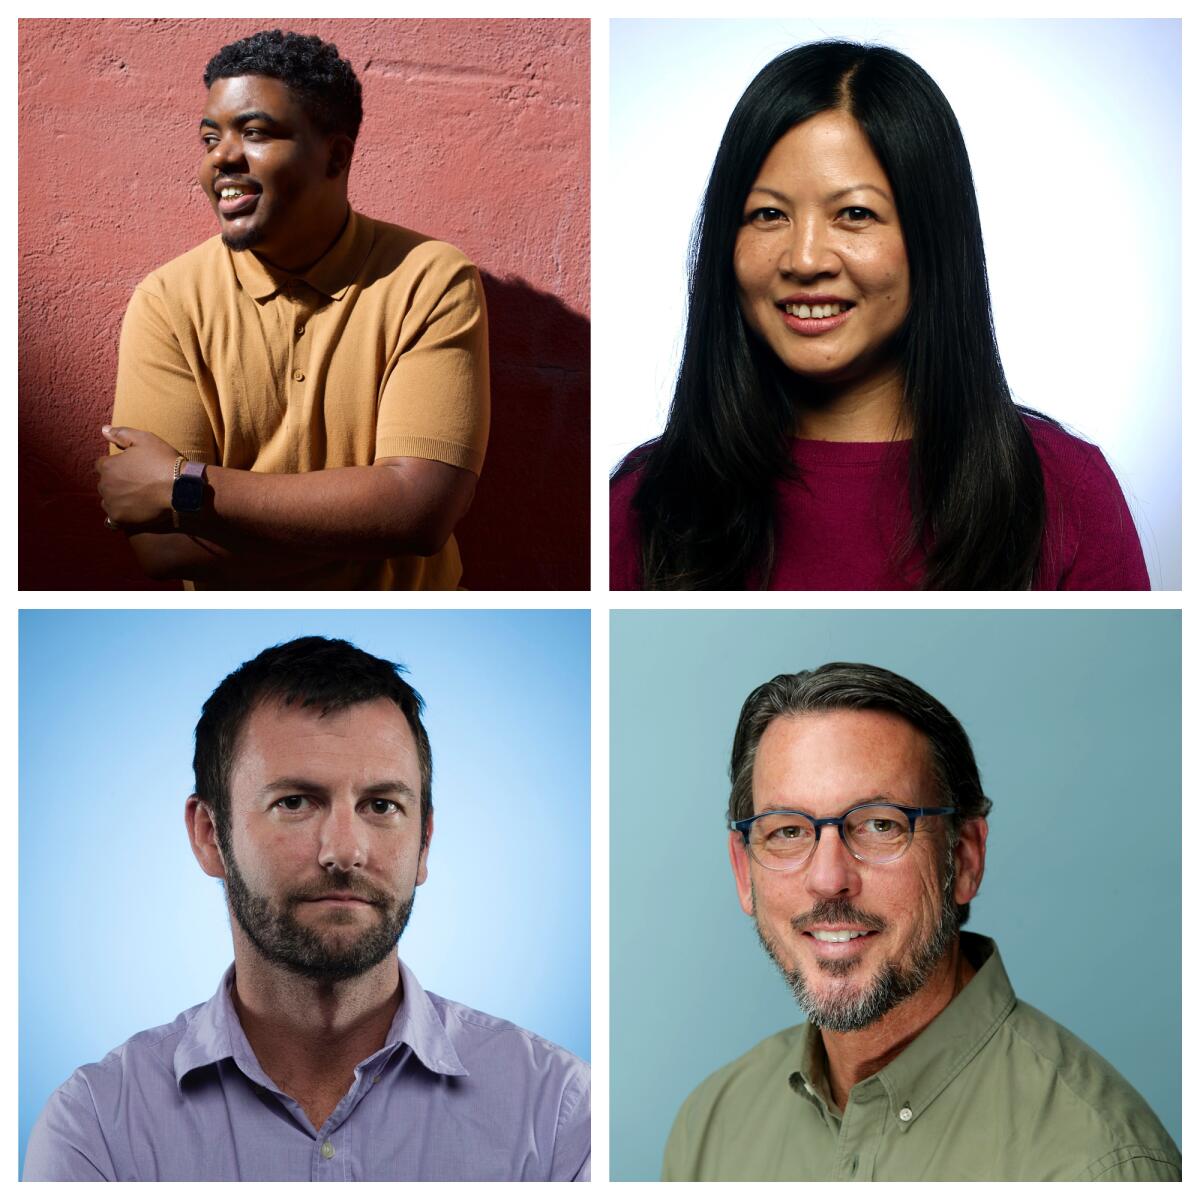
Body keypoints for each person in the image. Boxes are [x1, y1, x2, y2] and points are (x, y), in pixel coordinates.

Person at [24, 637, 589, 1182]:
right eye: (294, 802)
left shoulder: (557, 1113)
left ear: (424, 843)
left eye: (382, 805)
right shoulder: (97, 1127)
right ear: (208, 834)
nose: (344, 851)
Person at [610, 41, 1148, 590]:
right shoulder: (647, 501)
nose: (805, 260)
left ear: (932, 238)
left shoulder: (1063, 488)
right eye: (768, 214)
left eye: (855, 214)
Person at [663, 662, 1179, 1181]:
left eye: (879, 825)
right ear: (742, 870)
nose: (827, 878)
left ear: (966, 858)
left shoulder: (1100, 1168)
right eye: (788, 832)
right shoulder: (708, 1131)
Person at [95, 30, 489, 589]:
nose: (223, 157)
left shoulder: (430, 278)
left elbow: (420, 513)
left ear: (336, 155)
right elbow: (164, 549)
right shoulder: (168, 301)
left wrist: (181, 486)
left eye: (255, 132)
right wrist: (369, 534)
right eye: (211, 139)